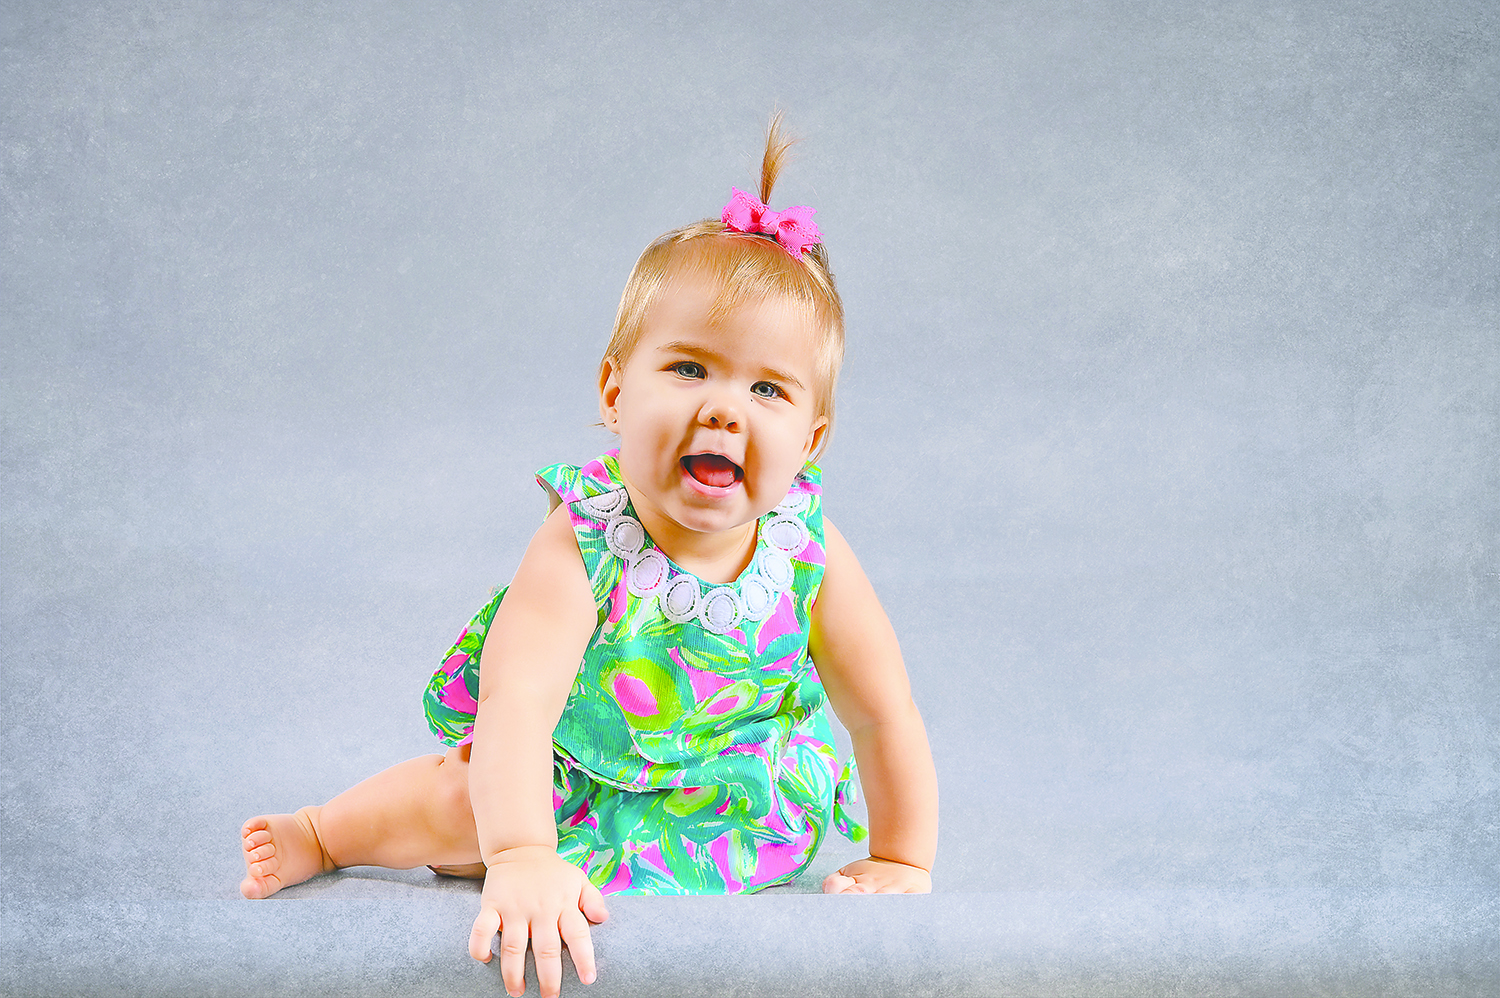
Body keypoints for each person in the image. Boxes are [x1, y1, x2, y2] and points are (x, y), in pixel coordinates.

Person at [238, 116, 939, 998]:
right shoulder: (585, 540)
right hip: (563, 780)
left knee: (753, 816)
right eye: (690, 369)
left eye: (767, 388)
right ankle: (324, 831)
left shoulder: (808, 549)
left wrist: (902, 856)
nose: (725, 410)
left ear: (811, 439)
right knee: (455, 804)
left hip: (730, 795)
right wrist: (522, 852)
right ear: (615, 391)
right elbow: (519, 705)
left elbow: (882, 712)